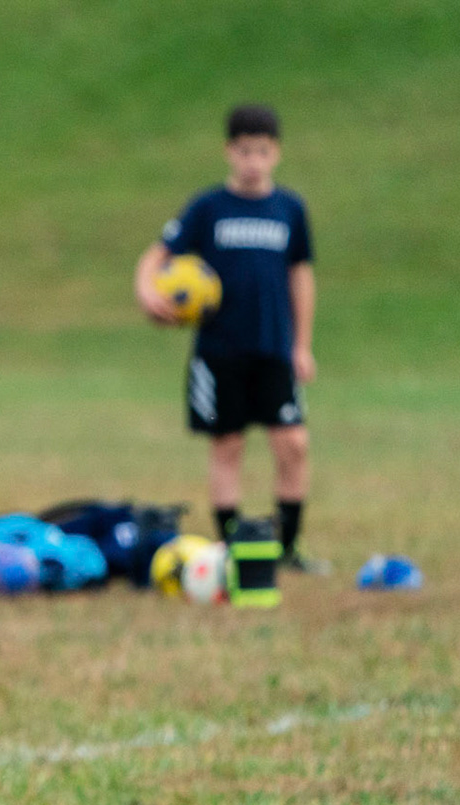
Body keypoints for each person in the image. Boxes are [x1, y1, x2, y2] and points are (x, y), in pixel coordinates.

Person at [135, 103, 327, 572]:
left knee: (293, 443)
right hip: (219, 351)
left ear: (276, 153)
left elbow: (301, 276)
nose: (253, 161)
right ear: (228, 151)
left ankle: (287, 549)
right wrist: (147, 292)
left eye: (262, 151)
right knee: (228, 447)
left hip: (273, 347)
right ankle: (231, 549)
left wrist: (302, 344)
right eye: (244, 151)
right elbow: (157, 256)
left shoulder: (289, 209)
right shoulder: (208, 207)